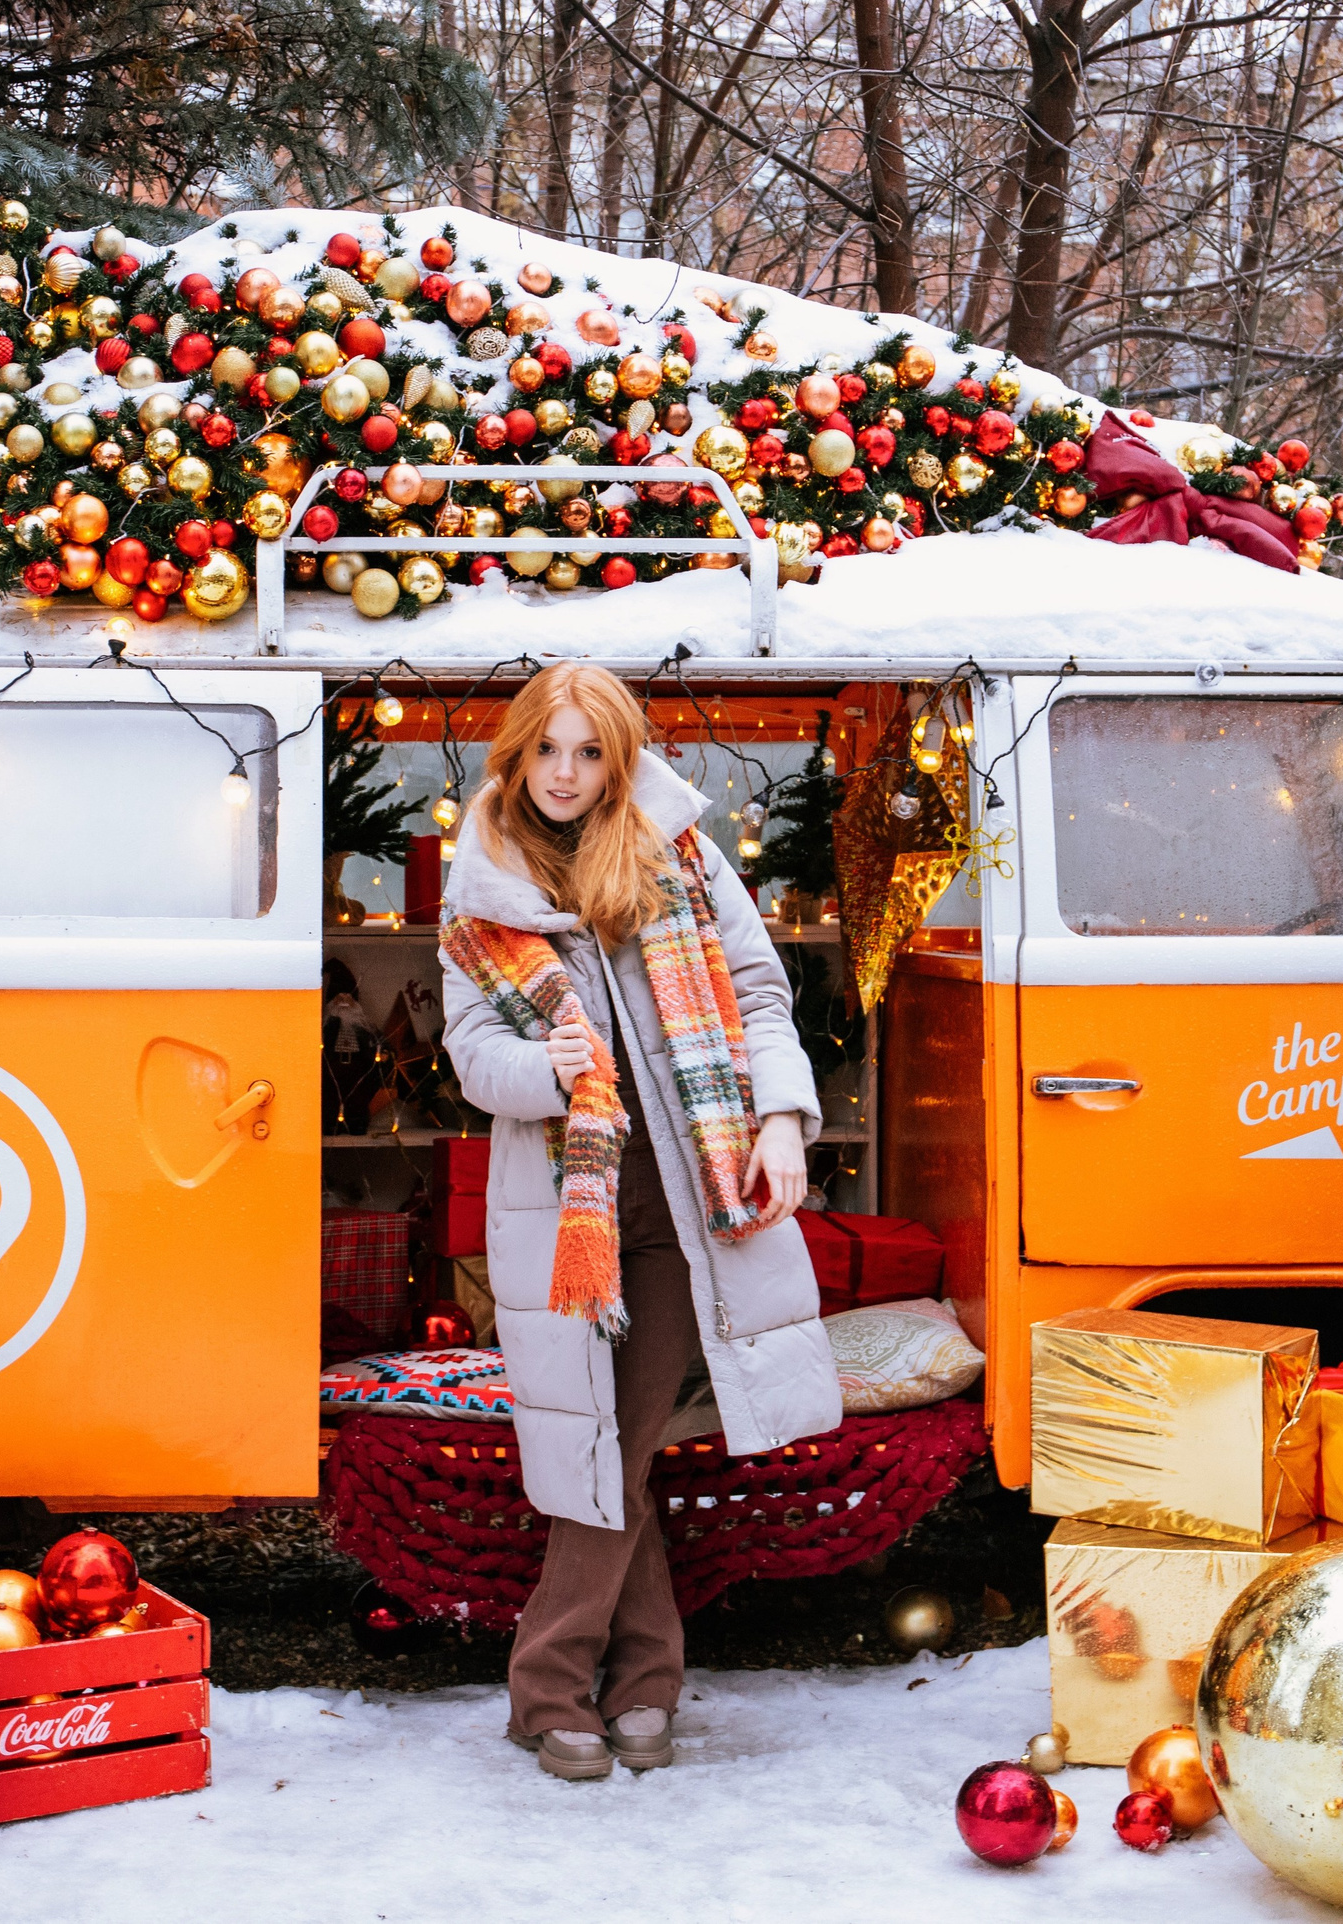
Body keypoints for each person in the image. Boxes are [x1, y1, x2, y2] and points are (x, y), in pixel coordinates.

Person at [439, 663, 841, 1781]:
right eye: (547, 751)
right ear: (515, 754)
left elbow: (760, 995)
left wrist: (781, 1118)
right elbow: (472, 1057)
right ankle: (640, 1680)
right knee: (603, 1439)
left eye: (589, 753)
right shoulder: (479, 884)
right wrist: (546, 1066)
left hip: (686, 1198)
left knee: (623, 1429)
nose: (565, 775)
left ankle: (551, 1687)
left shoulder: (680, 854)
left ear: (619, 760)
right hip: (567, 1208)